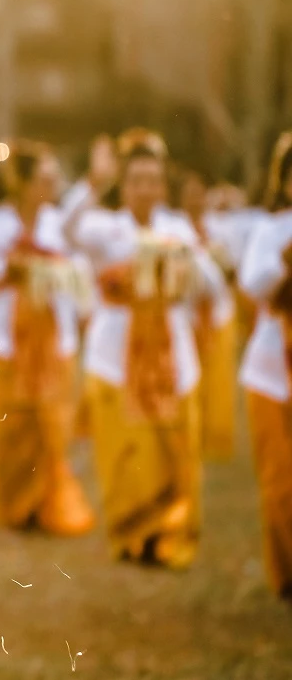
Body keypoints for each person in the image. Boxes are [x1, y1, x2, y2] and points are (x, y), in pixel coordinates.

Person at [69, 129, 230, 569]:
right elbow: (69, 229)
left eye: (153, 180)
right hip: (115, 353)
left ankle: (171, 537)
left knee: (174, 447)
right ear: (123, 186)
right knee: (124, 450)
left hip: (171, 352)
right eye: (136, 180)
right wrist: (93, 181)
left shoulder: (177, 228)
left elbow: (212, 285)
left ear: (163, 187)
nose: (145, 189)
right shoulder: (105, 227)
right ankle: (130, 534)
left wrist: (185, 258)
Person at [0, 140, 94, 535]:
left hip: (53, 337)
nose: (53, 186)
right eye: (46, 179)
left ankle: (49, 505)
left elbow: (78, 265)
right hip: (5, 337)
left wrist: (52, 268)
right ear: (24, 183)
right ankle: (15, 507)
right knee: (13, 422)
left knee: (52, 421)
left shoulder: (57, 222)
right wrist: (10, 266)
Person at [238, 130, 292, 603]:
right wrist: (286, 259)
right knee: (280, 479)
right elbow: (253, 284)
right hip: (272, 370)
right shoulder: (270, 230)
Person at [175, 167, 239, 460]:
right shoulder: (174, 228)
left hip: (217, 314)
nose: (195, 199)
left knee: (217, 377)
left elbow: (232, 271)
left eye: (199, 193)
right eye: (189, 193)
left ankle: (213, 437)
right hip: (188, 315)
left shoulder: (221, 229)